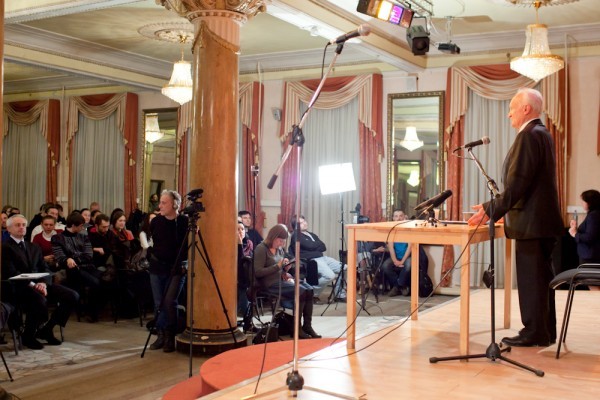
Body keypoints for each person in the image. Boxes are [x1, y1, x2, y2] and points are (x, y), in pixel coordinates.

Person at [468, 88, 563, 347]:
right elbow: (529, 185)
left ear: (526, 109)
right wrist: (501, 211)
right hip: (540, 222)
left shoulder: (528, 135)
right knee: (542, 281)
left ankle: (534, 332)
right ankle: (545, 331)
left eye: (512, 108)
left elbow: (518, 183)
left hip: (532, 225)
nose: (509, 113)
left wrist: (491, 209)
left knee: (532, 281)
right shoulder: (542, 133)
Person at [2, 215, 79, 349]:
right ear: (8, 229)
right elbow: (10, 273)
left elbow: (45, 268)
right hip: (18, 287)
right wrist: (33, 285)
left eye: (23, 225)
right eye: (17, 225)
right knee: (39, 300)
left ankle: (47, 329)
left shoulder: (33, 247)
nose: (21, 227)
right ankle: (28, 335)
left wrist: (43, 283)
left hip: (40, 284)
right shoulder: (4, 248)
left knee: (72, 295)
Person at [254, 224, 321, 339]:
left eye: (283, 241)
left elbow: (279, 268)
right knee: (301, 291)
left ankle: (307, 326)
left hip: (280, 280)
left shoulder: (279, 249)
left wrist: (285, 268)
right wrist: (278, 266)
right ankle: (296, 328)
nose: (282, 244)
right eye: (280, 241)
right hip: (270, 284)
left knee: (309, 289)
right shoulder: (261, 249)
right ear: (273, 237)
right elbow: (258, 272)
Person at [148, 190, 188, 353]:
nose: (160, 206)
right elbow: (153, 242)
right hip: (157, 267)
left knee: (170, 301)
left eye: (164, 203)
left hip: (176, 268)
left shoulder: (184, 222)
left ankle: (170, 335)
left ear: (175, 204)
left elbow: (186, 247)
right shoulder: (156, 221)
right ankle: (161, 334)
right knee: (159, 303)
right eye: (160, 202)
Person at [52, 212, 101, 322]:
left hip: (88, 266)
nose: (83, 228)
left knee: (104, 280)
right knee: (95, 283)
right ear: (73, 225)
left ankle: (90, 309)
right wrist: (68, 260)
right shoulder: (57, 238)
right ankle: (91, 313)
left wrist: (72, 259)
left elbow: (88, 255)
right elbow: (60, 258)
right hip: (73, 270)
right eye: (81, 226)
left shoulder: (83, 236)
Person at [288, 215, 344, 303]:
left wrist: (312, 246)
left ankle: (339, 294)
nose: (305, 223)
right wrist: (315, 246)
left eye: (304, 221)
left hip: (323, 258)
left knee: (344, 268)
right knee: (330, 276)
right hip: (312, 260)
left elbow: (323, 247)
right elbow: (310, 246)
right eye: (301, 223)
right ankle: (311, 292)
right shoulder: (296, 235)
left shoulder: (312, 234)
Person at [381, 209, 412, 297]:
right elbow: (391, 248)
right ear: (393, 218)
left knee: (408, 266)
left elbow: (410, 248)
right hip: (395, 257)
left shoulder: (409, 230)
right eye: (396, 216)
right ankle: (400, 286)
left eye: (401, 216)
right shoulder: (391, 231)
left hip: (407, 256)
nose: (398, 218)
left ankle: (397, 287)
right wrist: (395, 261)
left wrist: (402, 261)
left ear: (404, 217)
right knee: (385, 266)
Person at [569, 189, 600, 265]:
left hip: (590, 256)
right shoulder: (595, 214)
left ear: (590, 202)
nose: (581, 203)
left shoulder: (593, 216)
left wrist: (575, 234)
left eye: (583, 201)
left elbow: (589, 237)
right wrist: (575, 228)